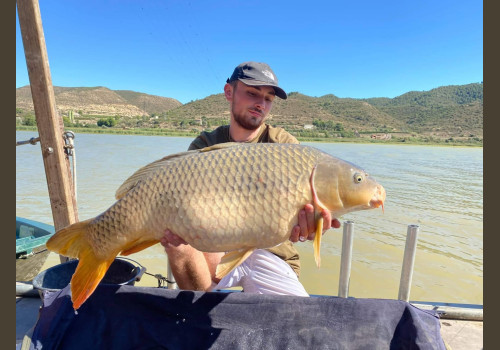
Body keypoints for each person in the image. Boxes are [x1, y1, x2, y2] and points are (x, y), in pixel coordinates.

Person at [160, 62, 340, 296]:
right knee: (177, 245)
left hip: (272, 252)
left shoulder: (285, 146)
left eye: (268, 98)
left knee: (297, 324)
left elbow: (308, 214)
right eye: (252, 94)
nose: (261, 104)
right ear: (229, 92)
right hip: (217, 247)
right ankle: (199, 314)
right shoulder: (204, 145)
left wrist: (314, 228)